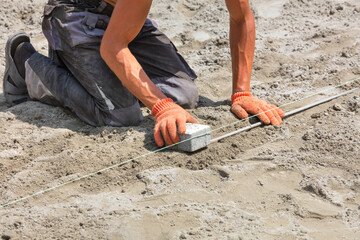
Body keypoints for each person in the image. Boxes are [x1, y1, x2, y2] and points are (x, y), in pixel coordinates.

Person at [3, 0, 285, 147]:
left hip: (124, 14)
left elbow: (241, 17)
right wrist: (160, 107)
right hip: (73, 12)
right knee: (120, 114)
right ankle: (25, 64)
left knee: (185, 95)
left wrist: (242, 92)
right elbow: (113, 46)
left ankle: (83, 70)